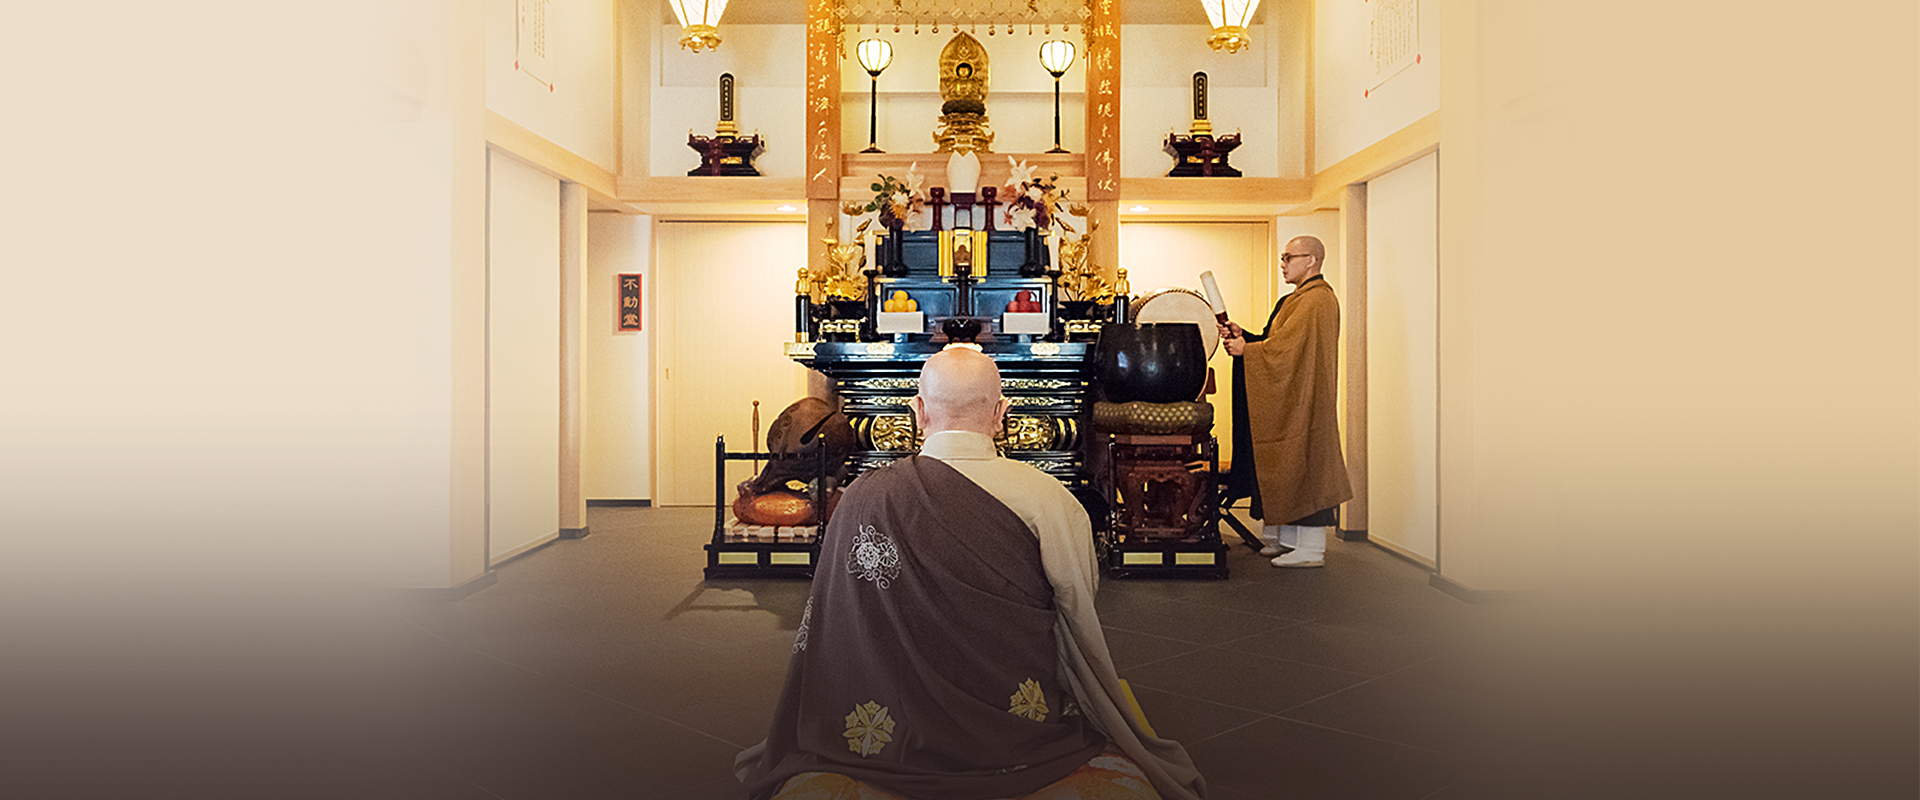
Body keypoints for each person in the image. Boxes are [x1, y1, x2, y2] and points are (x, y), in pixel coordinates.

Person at [736, 348, 1206, 800]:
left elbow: (833, 626)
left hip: (887, 731)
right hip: (1017, 730)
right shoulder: (1050, 500)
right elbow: (1077, 618)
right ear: (1002, 413)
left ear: (918, 411)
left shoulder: (863, 497)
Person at [1220, 235, 1354, 568]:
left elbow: (1288, 351)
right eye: (1282, 258)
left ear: (1312, 260)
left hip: (1307, 399)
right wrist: (1246, 338)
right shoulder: (1296, 299)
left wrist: (1247, 352)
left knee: (1304, 461)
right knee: (1285, 461)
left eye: (1289, 257)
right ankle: (1287, 540)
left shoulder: (1317, 300)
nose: (1283, 264)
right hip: (1294, 395)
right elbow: (1274, 342)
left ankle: (1310, 549)